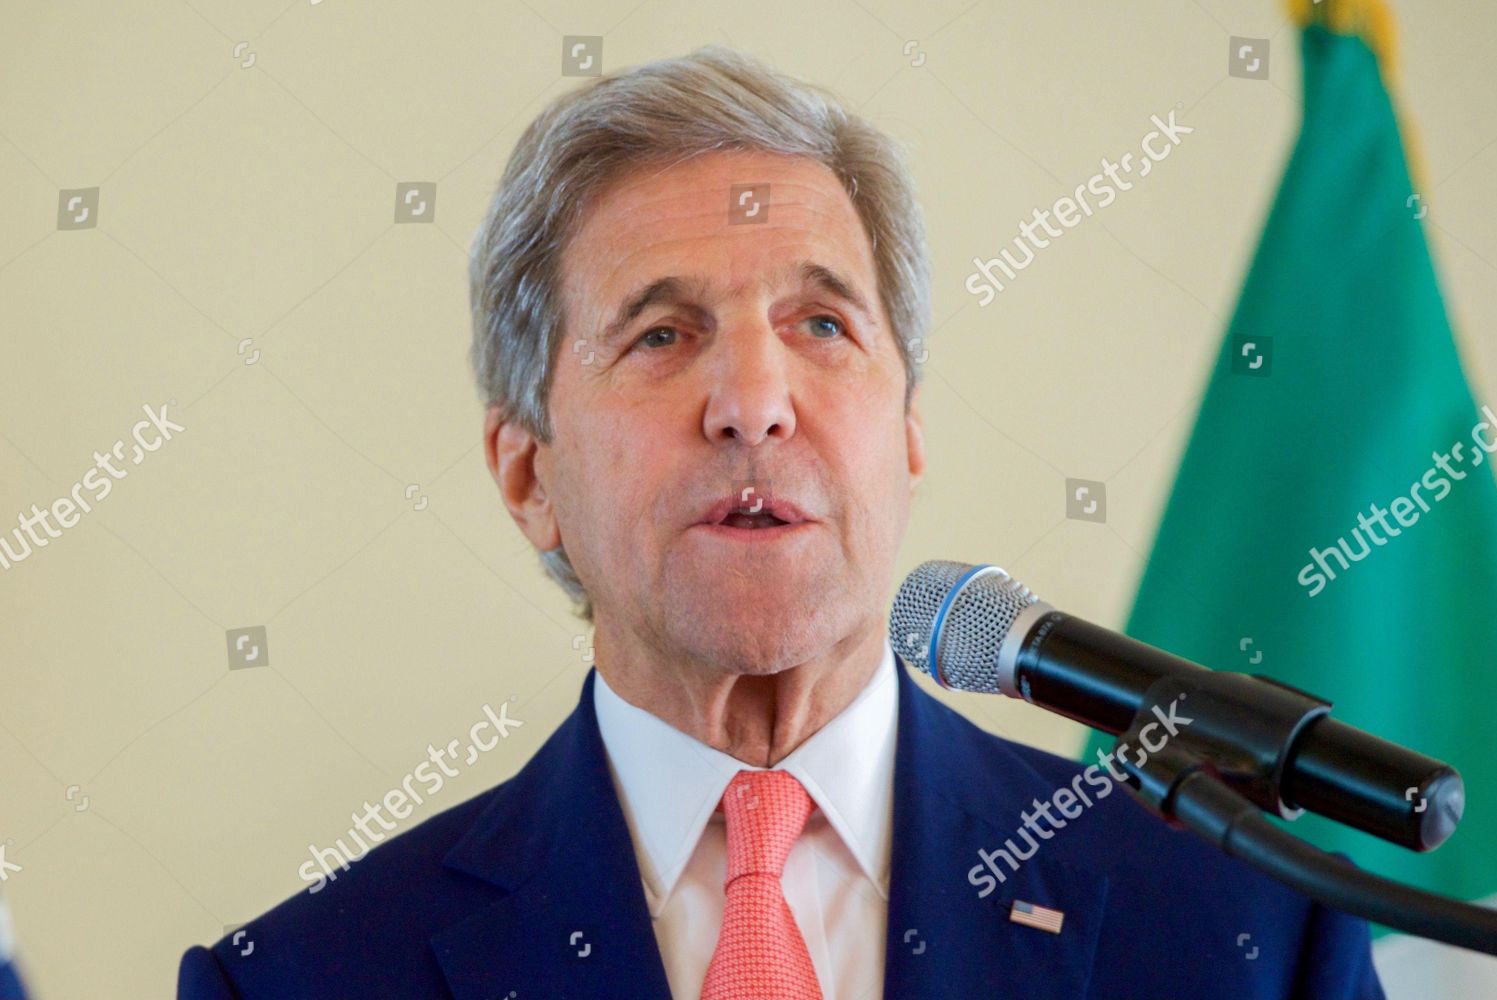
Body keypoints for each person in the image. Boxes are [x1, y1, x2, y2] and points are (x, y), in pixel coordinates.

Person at [178, 45, 1385, 999]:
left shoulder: (1243, 928)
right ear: (528, 475)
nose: (753, 405)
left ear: (907, 429)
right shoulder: (303, 977)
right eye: (661, 334)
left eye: (821, 325)